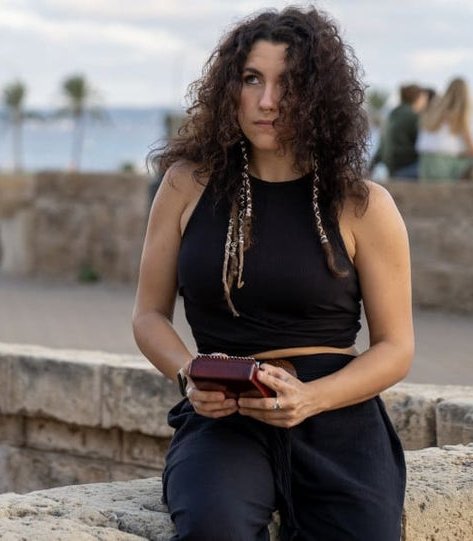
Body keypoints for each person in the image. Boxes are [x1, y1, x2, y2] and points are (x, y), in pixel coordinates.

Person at [132, 6, 413, 540]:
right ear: (229, 88)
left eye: (288, 83)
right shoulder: (184, 187)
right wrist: (188, 374)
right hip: (225, 414)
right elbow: (147, 315)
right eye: (252, 79)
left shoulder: (363, 205)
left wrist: (311, 398)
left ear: (317, 97)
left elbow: (396, 348)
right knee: (215, 529)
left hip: (338, 413)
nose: (267, 101)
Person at [416, 77, 473, 181]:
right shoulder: (459, 114)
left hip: (424, 165)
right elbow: (472, 150)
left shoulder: (433, 109)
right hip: (443, 165)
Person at [369, 83, 429, 180]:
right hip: (406, 168)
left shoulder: (392, 114)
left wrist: (371, 166)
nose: (425, 101)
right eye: (423, 98)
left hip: (392, 168)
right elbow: (423, 146)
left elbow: (382, 145)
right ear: (418, 98)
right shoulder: (413, 117)